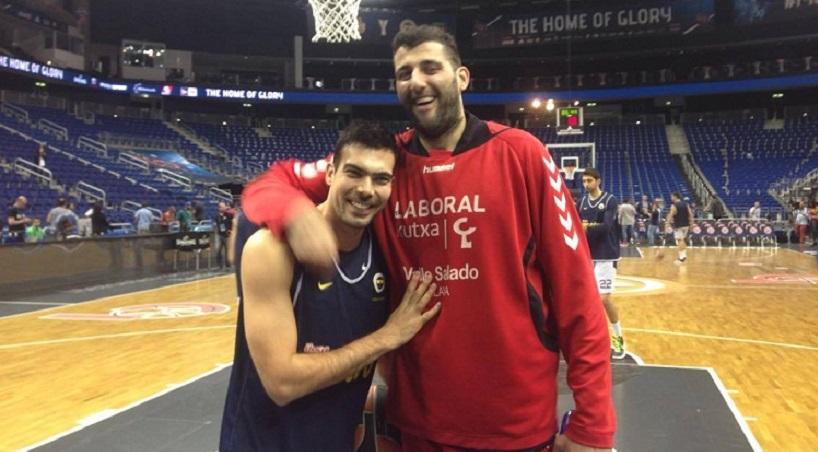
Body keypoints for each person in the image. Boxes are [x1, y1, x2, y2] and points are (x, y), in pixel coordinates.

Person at [242, 25, 614, 452]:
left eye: (430, 67)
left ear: (461, 77)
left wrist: (593, 424)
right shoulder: (385, 166)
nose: (416, 81)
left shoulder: (522, 154)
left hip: (514, 425)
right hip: (416, 425)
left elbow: (577, 293)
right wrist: (292, 212)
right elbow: (268, 184)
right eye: (404, 73)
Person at [220, 121, 441, 451]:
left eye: (380, 179)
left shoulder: (384, 251)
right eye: (354, 173)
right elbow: (282, 383)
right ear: (330, 174)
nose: (366, 189)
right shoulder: (271, 250)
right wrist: (388, 337)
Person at [577, 169, 625, 359]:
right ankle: (590, 338)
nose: (586, 184)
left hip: (606, 254)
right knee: (584, 299)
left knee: (604, 299)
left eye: (589, 180)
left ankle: (618, 339)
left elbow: (606, 227)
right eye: (584, 181)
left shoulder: (610, 200)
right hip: (587, 255)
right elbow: (575, 225)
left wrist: (586, 226)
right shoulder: (581, 202)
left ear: (598, 181)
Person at [667, 191, 693, 264]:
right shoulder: (686, 204)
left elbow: (671, 215)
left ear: (675, 196)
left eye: (672, 196)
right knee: (682, 240)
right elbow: (690, 214)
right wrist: (691, 224)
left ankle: (681, 257)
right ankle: (683, 255)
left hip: (678, 225)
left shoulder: (674, 205)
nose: (671, 198)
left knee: (680, 240)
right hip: (686, 225)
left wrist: (667, 223)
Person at [215, 201, 236, 268]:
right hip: (219, 235)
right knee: (218, 250)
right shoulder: (217, 216)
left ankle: (228, 265)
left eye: (224, 206)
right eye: (222, 207)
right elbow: (217, 224)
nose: (224, 208)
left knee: (228, 251)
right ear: (219, 208)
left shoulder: (228, 215)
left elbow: (232, 221)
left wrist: (231, 230)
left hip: (227, 235)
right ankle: (220, 265)